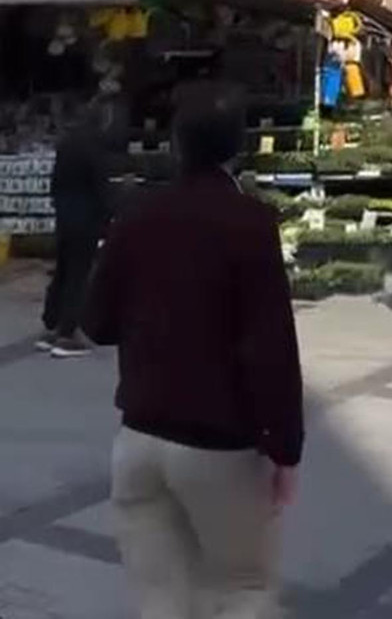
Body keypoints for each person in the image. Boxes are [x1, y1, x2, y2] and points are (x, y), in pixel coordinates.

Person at [83, 82, 303, 619]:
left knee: (160, 601)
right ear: (238, 145)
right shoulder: (250, 222)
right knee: (243, 589)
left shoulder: (136, 214)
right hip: (219, 445)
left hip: (138, 440)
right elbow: (269, 344)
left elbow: (96, 322)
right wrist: (285, 449)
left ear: (177, 143)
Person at [39, 104, 112, 359]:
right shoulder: (95, 148)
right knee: (79, 275)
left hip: (65, 214)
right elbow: (101, 186)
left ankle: (52, 321)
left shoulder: (67, 143)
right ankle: (68, 332)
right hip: (86, 217)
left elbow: (55, 182)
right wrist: (108, 218)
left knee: (63, 270)